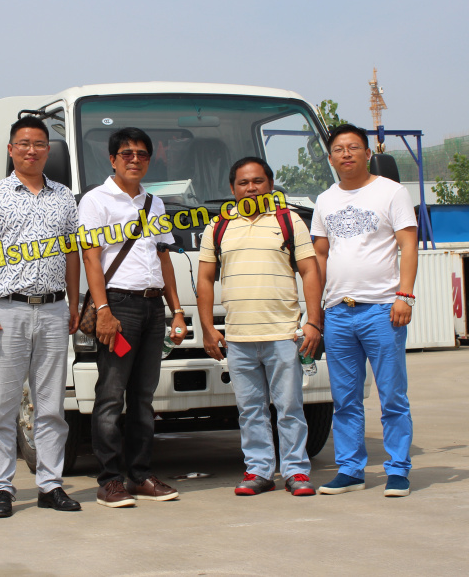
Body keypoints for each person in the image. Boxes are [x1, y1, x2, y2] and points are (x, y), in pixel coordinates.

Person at [0, 116, 82, 518]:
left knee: (51, 405)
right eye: (24, 143)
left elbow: (72, 254)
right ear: (11, 150)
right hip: (7, 311)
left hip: (53, 311)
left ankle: (50, 485)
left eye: (39, 144)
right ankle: (1, 488)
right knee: (2, 406)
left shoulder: (64, 197)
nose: (31, 150)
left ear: (48, 151)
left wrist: (72, 302)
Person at [196, 157, 324, 497]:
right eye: (243, 182)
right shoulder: (218, 227)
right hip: (238, 338)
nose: (250, 187)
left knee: (290, 407)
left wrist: (313, 321)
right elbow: (205, 279)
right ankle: (259, 470)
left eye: (257, 181)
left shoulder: (288, 221)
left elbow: (310, 271)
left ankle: (296, 471)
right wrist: (208, 327)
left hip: (284, 334)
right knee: (249, 410)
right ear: (232, 189)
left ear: (269, 184)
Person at [77, 127, 186, 508]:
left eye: (141, 153)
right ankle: (109, 480)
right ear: (112, 159)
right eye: (126, 153)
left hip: (153, 308)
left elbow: (163, 258)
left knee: (143, 398)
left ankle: (140, 475)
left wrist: (177, 311)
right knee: (110, 395)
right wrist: (103, 309)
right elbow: (92, 258)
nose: (134, 159)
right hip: (119, 306)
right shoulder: (95, 201)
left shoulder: (154, 203)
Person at [310, 123, 419, 498]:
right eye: (339, 149)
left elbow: (408, 244)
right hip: (339, 310)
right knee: (345, 398)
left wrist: (404, 295)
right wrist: (317, 309)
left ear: (367, 153)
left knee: (392, 395)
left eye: (354, 147)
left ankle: (398, 470)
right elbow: (320, 255)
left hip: (382, 310)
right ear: (330, 158)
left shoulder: (391, 192)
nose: (346, 154)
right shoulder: (324, 200)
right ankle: (350, 469)